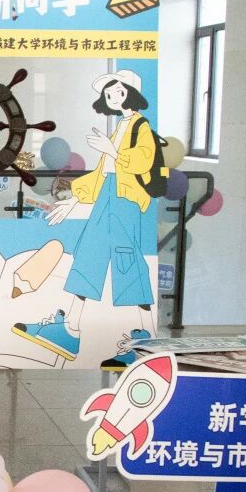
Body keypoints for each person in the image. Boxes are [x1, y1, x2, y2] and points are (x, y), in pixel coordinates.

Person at [12, 70, 157, 366]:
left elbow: (143, 161)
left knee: (127, 263)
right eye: (109, 94)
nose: (113, 97)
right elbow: (102, 173)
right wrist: (75, 199)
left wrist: (112, 151)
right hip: (108, 195)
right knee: (89, 256)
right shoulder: (120, 127)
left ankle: (142, 342)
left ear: (131, 93)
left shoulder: (141, 126)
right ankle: (70, 329)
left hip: (126, 200)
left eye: (118, 92)